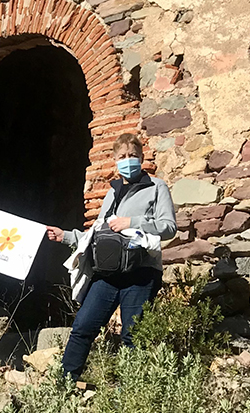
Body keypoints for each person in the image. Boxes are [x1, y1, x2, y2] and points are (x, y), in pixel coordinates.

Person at [46, 133, 176, 381]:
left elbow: (169, 227)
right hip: (107, 272)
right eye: (123, 156)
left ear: (141, 158)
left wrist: (132, 222)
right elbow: (97, 233)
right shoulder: (111, 193)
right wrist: (65, 236)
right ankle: (64, 384)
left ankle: (132, 391)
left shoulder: (156, 187)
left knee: (133, 334)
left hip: (141, 272)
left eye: (133, 155)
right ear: (115, 161)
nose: (128, 160)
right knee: (83, 326)